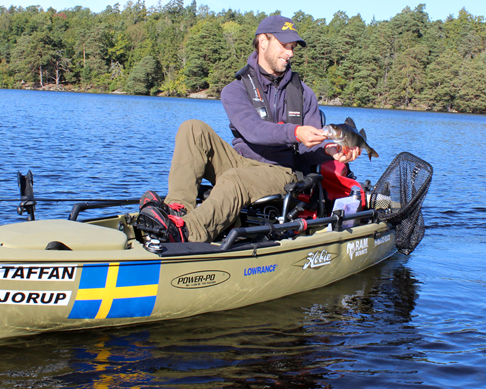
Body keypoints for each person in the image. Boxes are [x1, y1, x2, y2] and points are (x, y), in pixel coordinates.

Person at [137, 15, 361, 243]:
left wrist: (329, 151)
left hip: (282, 171)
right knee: (192, 128)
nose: (290, 53)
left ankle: (185, 233)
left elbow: (306, 151)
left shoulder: (305, 94)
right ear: (263, 41)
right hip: (240, 161)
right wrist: (295, 132)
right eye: (285, 46)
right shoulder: (234, 90)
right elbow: (254, 130)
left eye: (292, 47)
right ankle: (177, 209)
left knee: (236, 179)